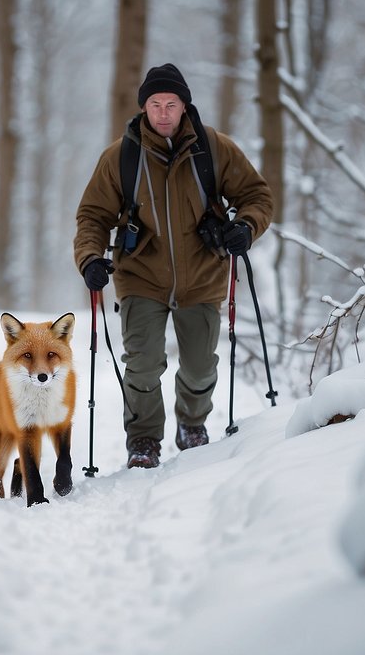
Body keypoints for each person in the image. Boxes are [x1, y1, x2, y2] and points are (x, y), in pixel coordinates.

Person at [73, 63, 274, 469]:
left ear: (185, 107)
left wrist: (246, 228)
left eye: (171, 104)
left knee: (200, 368)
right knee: (143, 364)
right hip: (141, 275)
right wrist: (91, 258)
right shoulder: (121, 157)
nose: (163, 113)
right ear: (144, 107)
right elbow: (92, 216)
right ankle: (144, 440)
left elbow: (257, 195)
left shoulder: (214, 149)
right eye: (155, 104)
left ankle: (192, 425)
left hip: (203, 275)